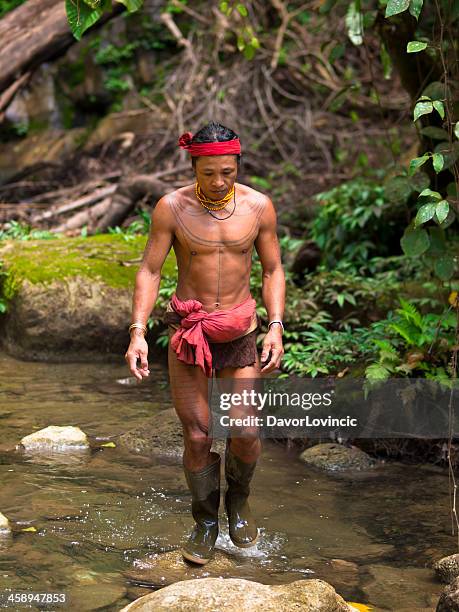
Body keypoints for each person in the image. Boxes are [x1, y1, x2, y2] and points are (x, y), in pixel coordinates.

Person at [125, 121, 285, 565]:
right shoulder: (171, 208)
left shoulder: (258, 207)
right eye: (208, 172)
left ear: (237, 166)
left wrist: (275, 325)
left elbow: (272, 269)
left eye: (228, 173)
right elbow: (150, 271)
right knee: (198, 436)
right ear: (193, 164)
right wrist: (137, 332)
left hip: (239, 330)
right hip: (190, 331)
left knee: (246, 431)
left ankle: (238, 501)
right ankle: (205, 522)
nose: (218, 182)